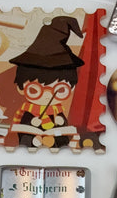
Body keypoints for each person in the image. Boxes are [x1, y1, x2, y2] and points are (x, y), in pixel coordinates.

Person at [9, 16, 84, 149]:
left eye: (60, 90)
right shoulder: (28, 111)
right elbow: (23, 128)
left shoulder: (57, 111)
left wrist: (59, 127)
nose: (48, 95)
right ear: (21, 88)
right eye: (34, 90)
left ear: (71, 88)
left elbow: (64, 129)